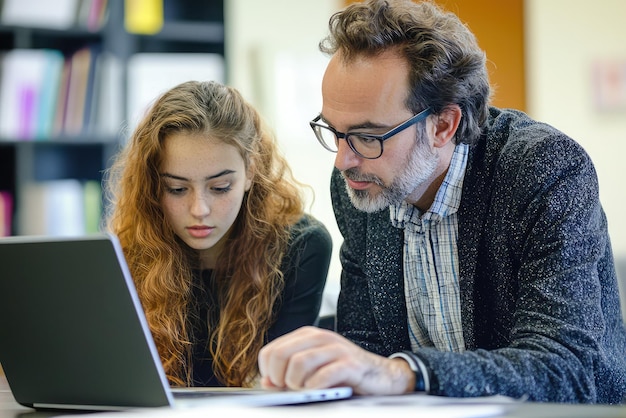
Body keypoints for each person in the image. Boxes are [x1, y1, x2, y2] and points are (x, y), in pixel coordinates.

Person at [257, 0, 626, 404]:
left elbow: (566, 369)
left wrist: (405, 373)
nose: (343, 160)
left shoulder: (542, 169)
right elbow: (364, 346)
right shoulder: (364, 184)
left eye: (368, 136)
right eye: (335, 131)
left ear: (443, 125)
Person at [104, 80, 332, 388]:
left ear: (250, 171)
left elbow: (276, 388)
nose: (199, 209)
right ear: (153, 185)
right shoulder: (127, 251)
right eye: (177, 188)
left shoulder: (301, 247)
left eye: (220, 187)